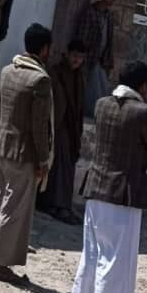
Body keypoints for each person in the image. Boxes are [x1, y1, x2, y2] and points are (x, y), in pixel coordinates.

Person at [68, 60, 147, 293]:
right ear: (143, 85)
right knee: (115, 258)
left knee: (92, 253)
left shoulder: (102, 104)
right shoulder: (144, 112)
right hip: (123, 193)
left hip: (96, 188)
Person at [0, 23, 54, 287]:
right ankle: (0, 263)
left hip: (2, 145)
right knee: (13, 207)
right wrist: (43, 159)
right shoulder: (40, 80)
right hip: (24, 151)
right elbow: (39, 126)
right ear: (44, 49)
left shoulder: (7, 71)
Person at [38, 38, 87, 224]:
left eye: (80, 57)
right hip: (57, 125)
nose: (76, 60)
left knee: (66, 167)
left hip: (71, 128)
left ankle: (63, 205)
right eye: (74, 56)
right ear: (67, 54)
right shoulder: (55, 72)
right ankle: (53, 204)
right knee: (56, 166)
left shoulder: (80, 77)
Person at [74, 0, 118, 117]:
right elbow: (82, 38)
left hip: (101, 60)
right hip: (89, 59)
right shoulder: (90, 13)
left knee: (102, 90)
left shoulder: (108, 16)